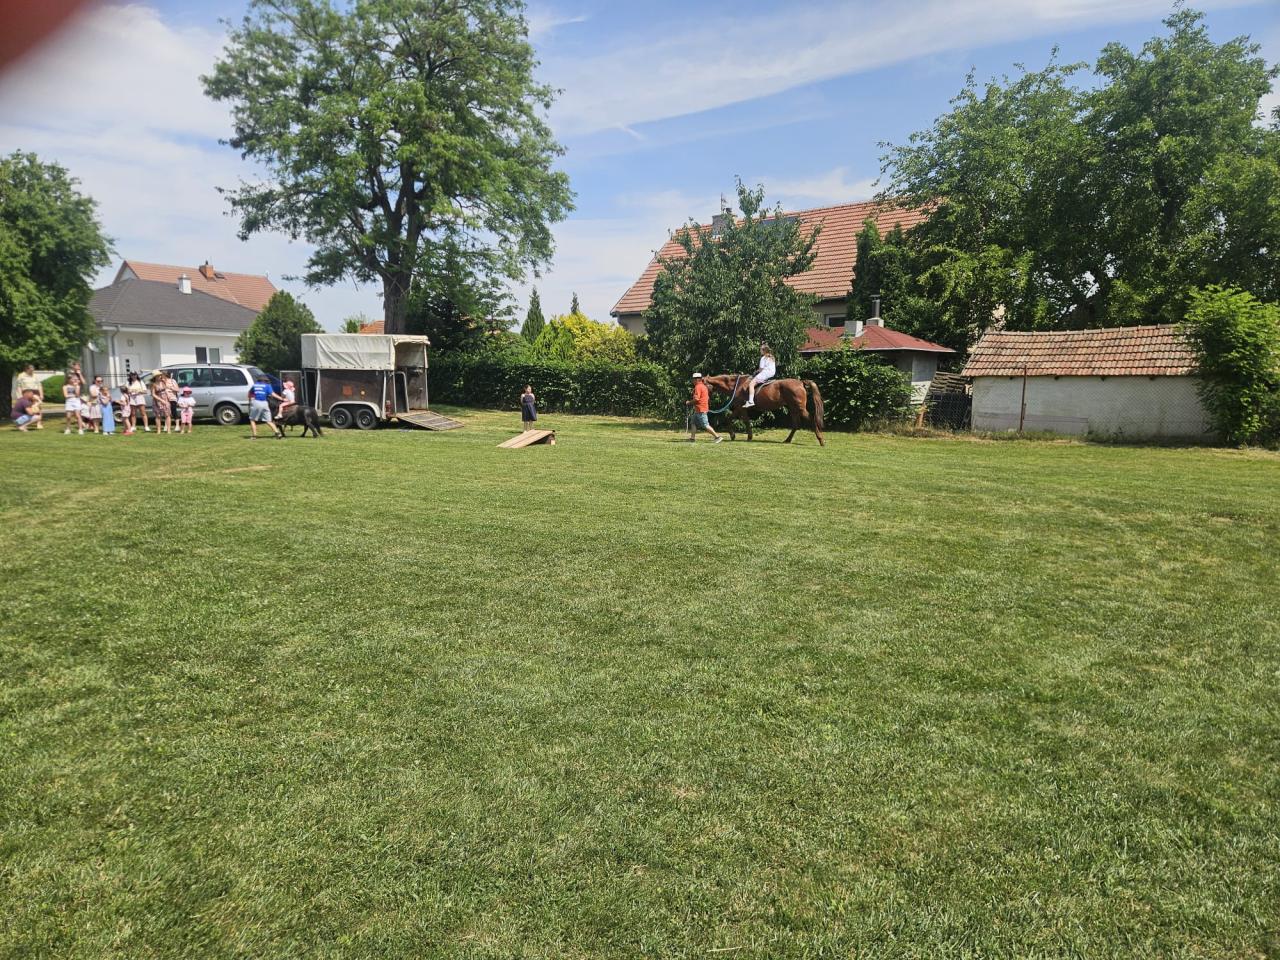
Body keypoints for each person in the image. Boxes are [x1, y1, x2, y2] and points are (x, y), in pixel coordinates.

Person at [686, 372, 722, 443]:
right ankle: (692, 438)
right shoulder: (704, 386)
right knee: (693, 422)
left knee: (705, 425)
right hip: (699, 409)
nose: (692, 381)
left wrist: (689, 402)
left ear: (697, 379)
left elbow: (696, 399)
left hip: (701, 409)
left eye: (693, 379)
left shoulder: (698, 387)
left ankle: (717, 437)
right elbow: (707, 398)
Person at [247, 374, 283, 439]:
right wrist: (282, 399)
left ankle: (254, 436)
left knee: (252, 420)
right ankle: (278, 433)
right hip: (264, 403)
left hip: (256, 402)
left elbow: (249, 393)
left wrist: (250, 400)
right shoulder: (267, 386)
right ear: (264, 380)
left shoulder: (255, 385)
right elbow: (273, 394)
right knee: (268, 421)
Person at [742, 343, 776, 408]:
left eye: (760, 349)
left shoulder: (763, 358)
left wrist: (755, 372)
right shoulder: (771, 357)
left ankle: (751, 401)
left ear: (764, 350)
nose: (760, 351)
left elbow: (760, 370)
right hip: (772, 373)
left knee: (751, 384)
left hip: (765, 373)